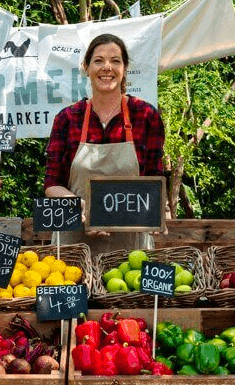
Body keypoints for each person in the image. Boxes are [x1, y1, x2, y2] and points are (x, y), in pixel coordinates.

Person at [44, 33, 165, 255]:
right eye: (98, 60)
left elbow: (154, 179)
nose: (107, 67)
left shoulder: (146, 116)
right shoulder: (68, 118)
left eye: (115, 61)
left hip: (131, 249)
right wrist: (83, 206)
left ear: (125, 68)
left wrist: (158, 207)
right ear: (86, 67)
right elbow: (52, 183)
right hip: (74, 243)